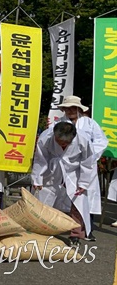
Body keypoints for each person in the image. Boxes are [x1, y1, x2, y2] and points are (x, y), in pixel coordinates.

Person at [50, 95, 108, 241]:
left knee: (86, 197)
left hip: (85, 164)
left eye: (72, 108)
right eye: (67, 108)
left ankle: (87, 229)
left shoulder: (89, 123)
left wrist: (91, 155)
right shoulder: (58, 123)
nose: (70, 111)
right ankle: (66, 228)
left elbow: (101, 141)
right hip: (66, 165)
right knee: (66, 197)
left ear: (78, 109)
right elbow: (52, 141)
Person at [31, 121, 95, 247]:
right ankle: (42, 229)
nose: (62, 145)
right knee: (44, 198)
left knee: (78, 200)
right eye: (59, 142)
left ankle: (75, 234)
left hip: (74, 171)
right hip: (52, 169)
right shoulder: (46, 137)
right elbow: (40, 159)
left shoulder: (83, 139)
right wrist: (37, 178)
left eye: (65, 143)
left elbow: (88, 162)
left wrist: (83, 182)